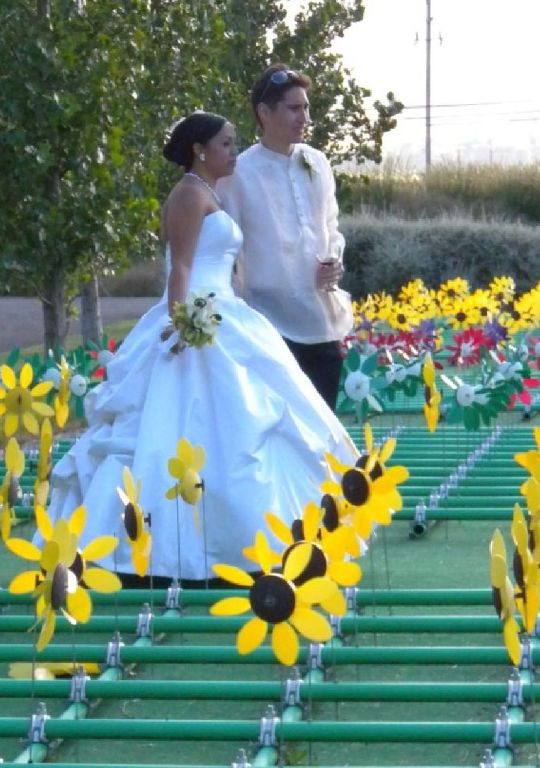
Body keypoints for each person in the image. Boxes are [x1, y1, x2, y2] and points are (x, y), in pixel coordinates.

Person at [43, 111, 358, 581]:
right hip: (198, 318)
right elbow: (182, 268)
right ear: (200, 150)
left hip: (224, 313)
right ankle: (168, 552)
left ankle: (254, 542)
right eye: (227, 144)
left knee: (244, 422)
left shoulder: (208, 192)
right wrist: (181, 323)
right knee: (187, 427)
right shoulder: (189, 194)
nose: (234, 151)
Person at [218, 64, 353, 411]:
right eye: (294, 108)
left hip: (320, 318)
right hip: (267, 323)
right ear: (264, 113)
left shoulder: (317, 162)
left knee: (325, 425)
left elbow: (331, 226)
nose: (304, 116)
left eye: (305, 107)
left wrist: (334, 262)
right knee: (282, 434)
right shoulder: (239, 172)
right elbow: (226, 249)